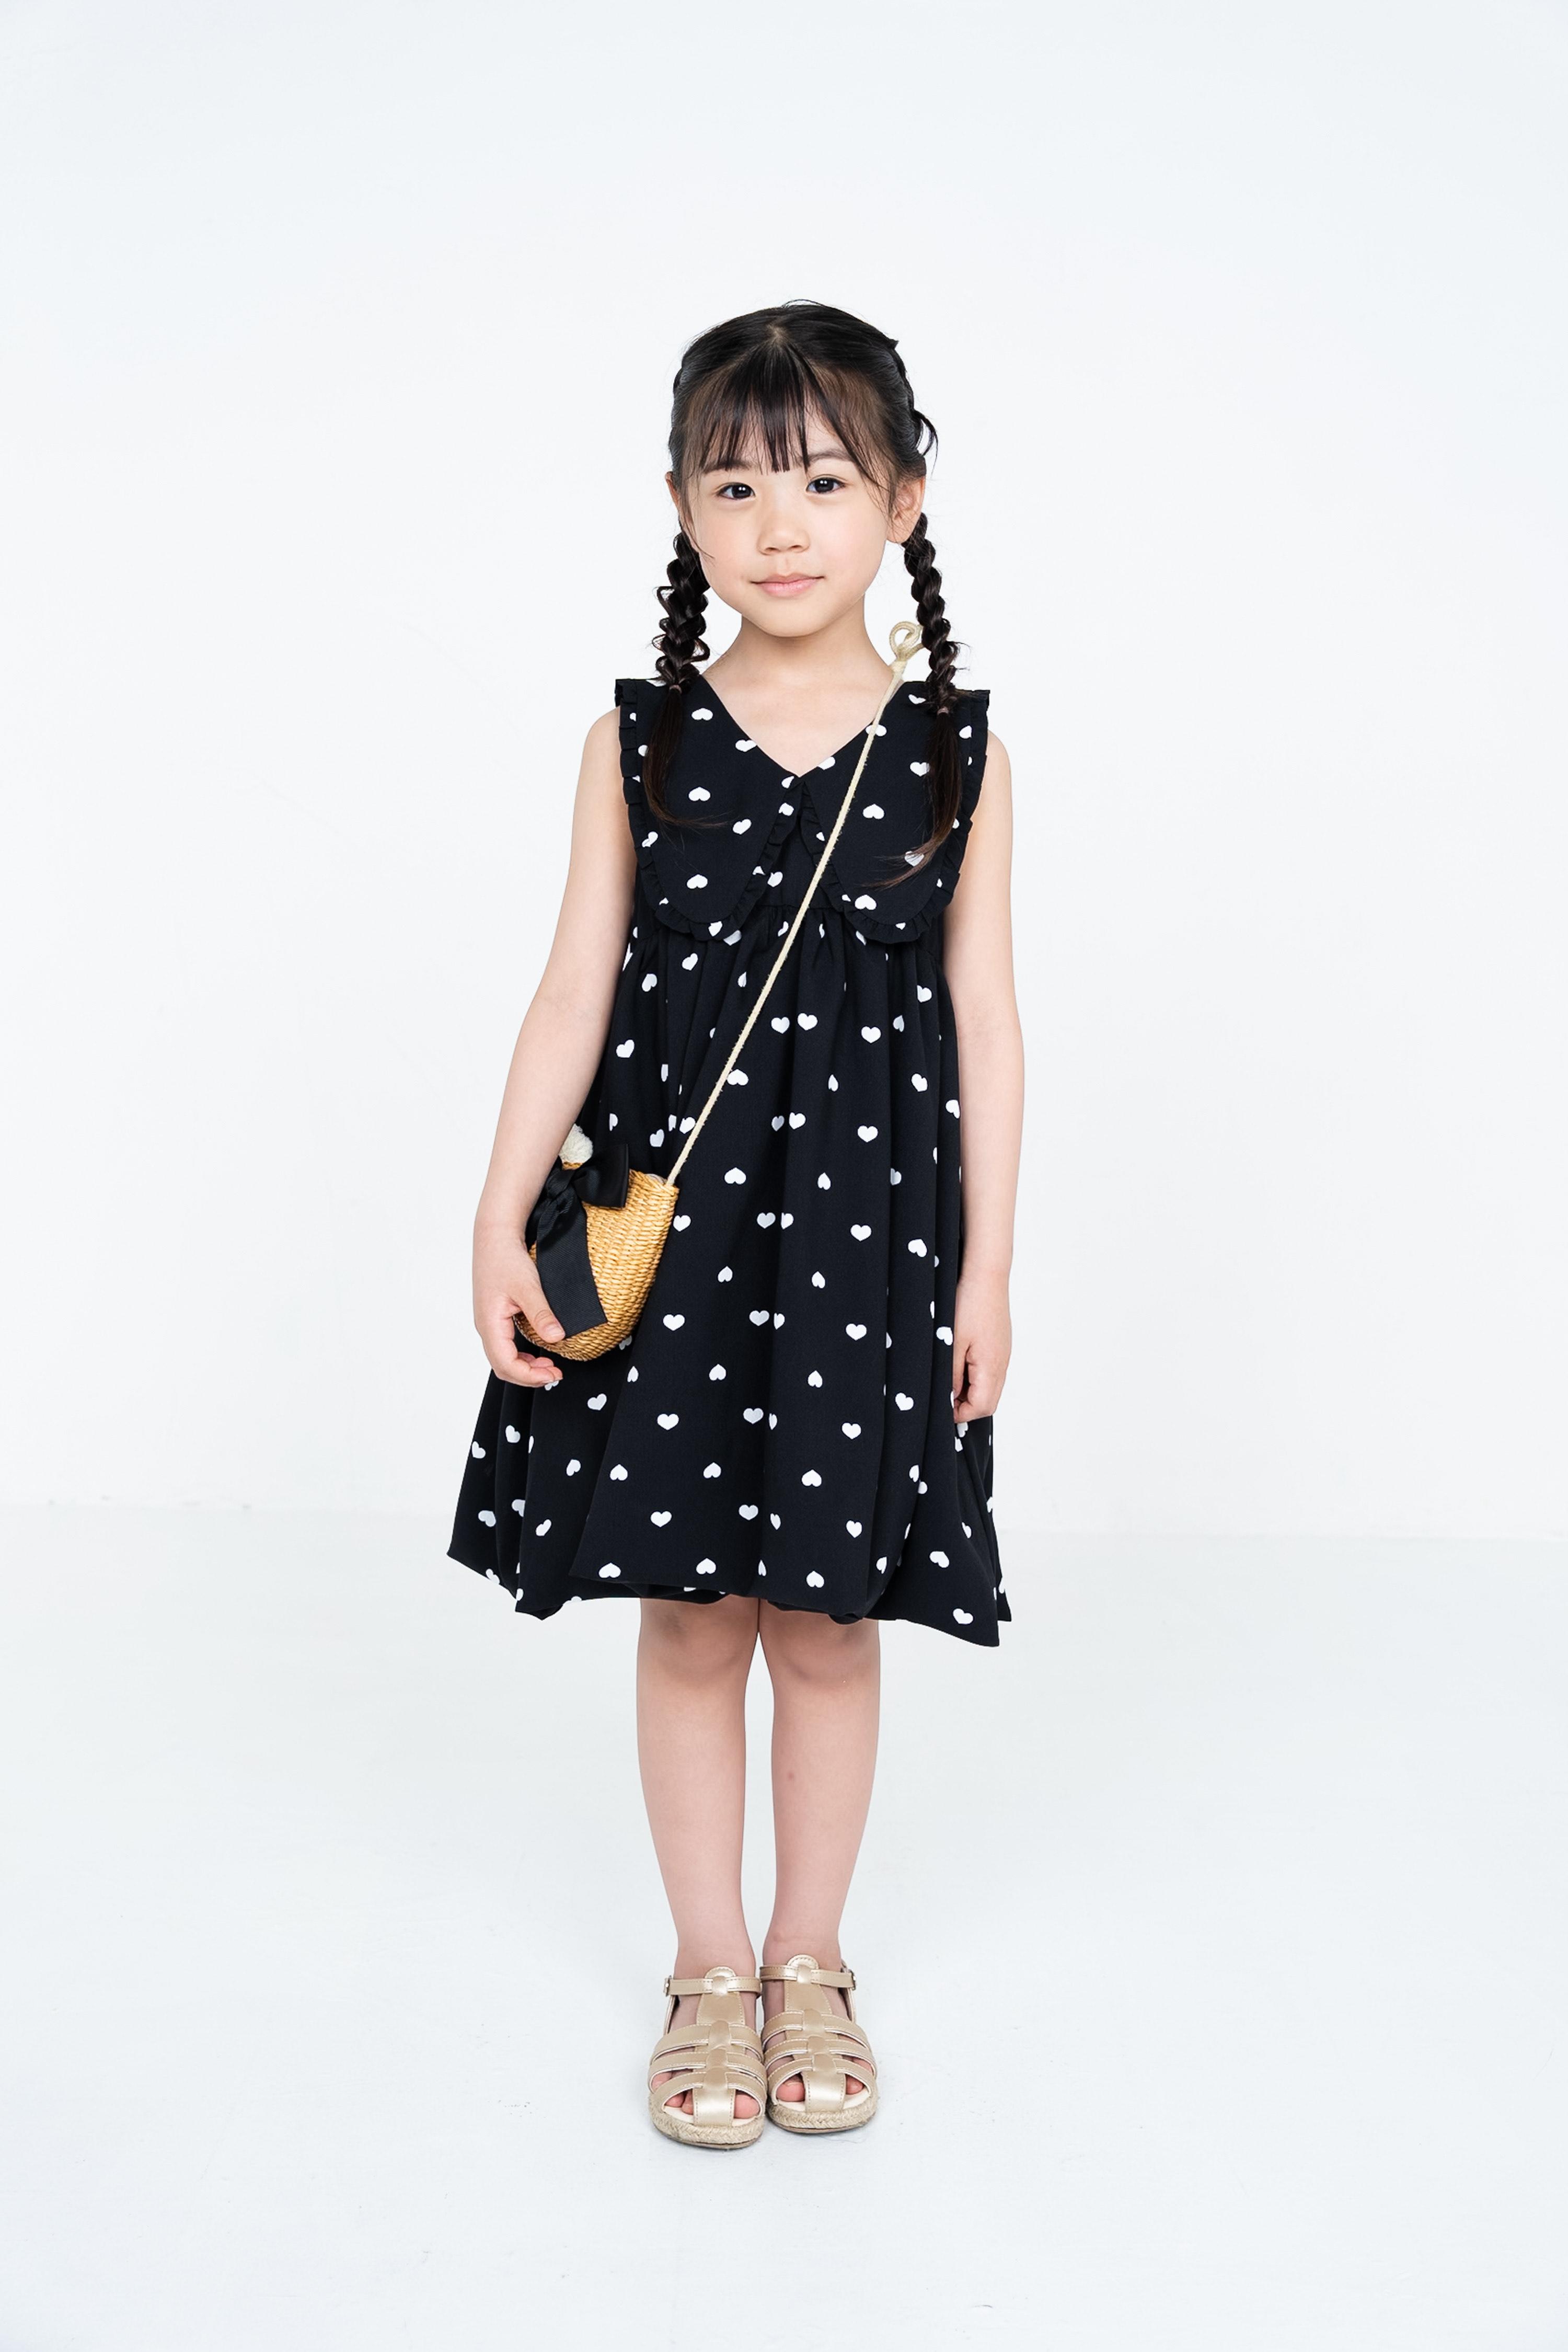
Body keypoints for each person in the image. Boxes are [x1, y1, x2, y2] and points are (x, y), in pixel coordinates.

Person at [448, 299, 1023, 2149]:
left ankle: (810, 1955)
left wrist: (989, 1271)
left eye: (826, 480)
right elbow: (571, 991)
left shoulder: (955, 754)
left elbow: (989, 1019)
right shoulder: (636, 742)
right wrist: (496, 1218)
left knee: (831, 1621)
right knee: (692, 1613)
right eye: (737, 482)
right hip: (682, 1250)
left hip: (866, 1249)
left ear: (905, 501)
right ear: (682, 508)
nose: (782, 523)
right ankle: (708, 1967)